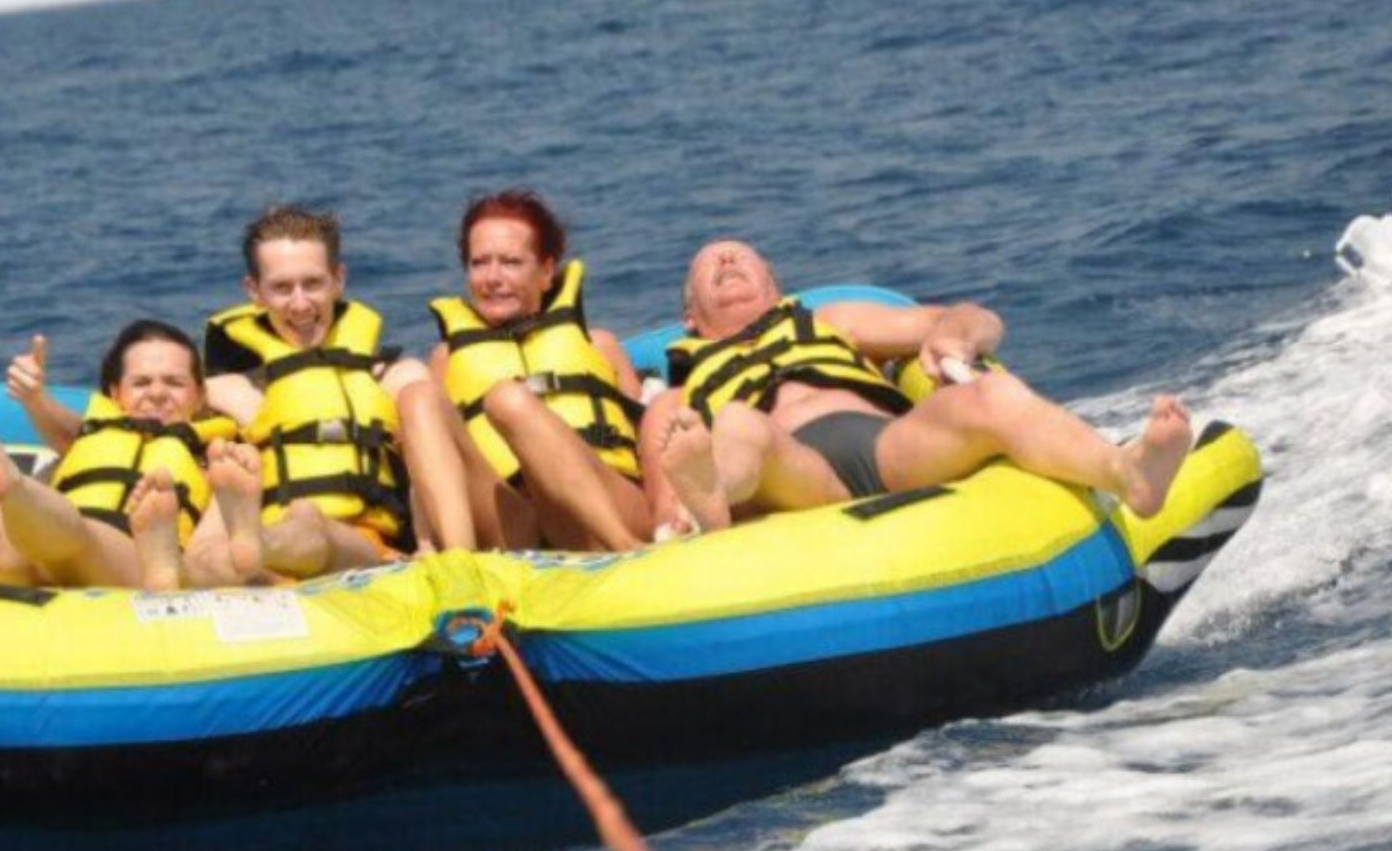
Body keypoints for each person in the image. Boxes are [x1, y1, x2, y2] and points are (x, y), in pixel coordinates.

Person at [645, 239, 1193, 533]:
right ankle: (711, 510)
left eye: (739, 255)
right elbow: (662, 498)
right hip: (788, 471)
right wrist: (677, 510)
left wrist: (958, 336)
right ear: (690, 317)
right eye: (711, 265)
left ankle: (1129, 473)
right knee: (739, 426)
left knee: (989, 395)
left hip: (882, 447)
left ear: (777, 286)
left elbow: (975, 317)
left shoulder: (831, 320)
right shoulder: (677, 394)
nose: (725, 259)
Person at [0, 320, 266, 590]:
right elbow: (2, 526)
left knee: (70, 533)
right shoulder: (85, 442)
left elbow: (216, 552)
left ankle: (6, 476)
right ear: (113, 394)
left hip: (137, 560)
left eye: (173, 383)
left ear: (199, 395)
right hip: (46, 548)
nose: (156, 392)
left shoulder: (218, 458)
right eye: (142, 382)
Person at [201, 205, 476, 575]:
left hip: (366, 551)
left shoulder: (394, 379)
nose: (300, 303)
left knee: (309, 524)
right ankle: (200, 566)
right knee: (210, 560)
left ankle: (462, 565)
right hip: (271, 565)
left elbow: (427, 472)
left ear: (338, 279)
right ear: (254, 290)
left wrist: (427, 546)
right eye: (282, 287)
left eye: (312, 283)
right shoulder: (226, 390)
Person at [425, 190, 652, 551]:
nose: (492, 277)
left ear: (546, 271)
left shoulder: (599, 345)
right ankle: (457, 563)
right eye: (479, 263)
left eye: (511, 262)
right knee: (421, 398)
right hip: (518, 528)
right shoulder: (445, 360)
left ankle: (622, 545)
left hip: (614, 502)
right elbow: (431, 462)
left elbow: (647, 437)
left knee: (507, 401)